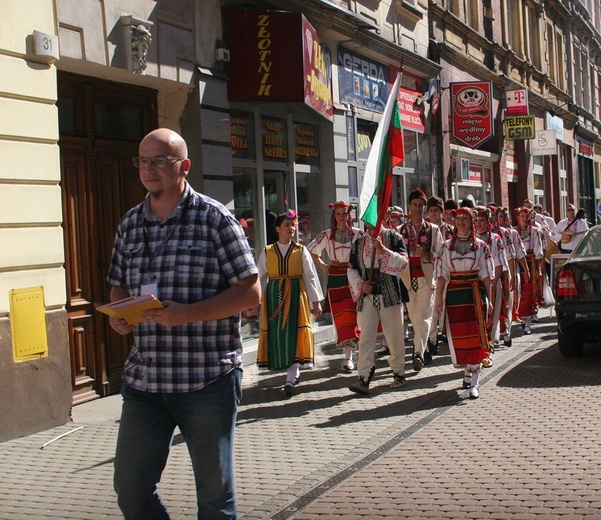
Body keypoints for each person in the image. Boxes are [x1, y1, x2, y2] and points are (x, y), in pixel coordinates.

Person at [107, 128, 261, 519]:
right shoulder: (130, 224)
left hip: (205, 380)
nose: (149, 169)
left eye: (160, 160)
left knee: (214, 498)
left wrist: (185, 314)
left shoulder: (215, 219)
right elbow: (117, 285)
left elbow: (250, 293)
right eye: (143, 160)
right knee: (130, 489)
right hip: (145, 382)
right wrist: (121, 315)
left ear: (184, 167)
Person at [257, 210, 324, 395]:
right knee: (279, 333)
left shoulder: (300, 250)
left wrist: (316, 301)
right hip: (274, 295)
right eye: (287, 225)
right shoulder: (267, 251)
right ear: (277, 229)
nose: (291, 228)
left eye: (293, 225)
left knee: (295, 331)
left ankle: (291, 375)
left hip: (296, 293)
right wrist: (256, 300)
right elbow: (261, 276)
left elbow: (310, 276)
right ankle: (287, 370)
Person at [434, 207, 494, 399]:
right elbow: (442, 275)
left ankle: (474, 382)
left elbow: (486, 275)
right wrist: (438, 300)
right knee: (459, 337)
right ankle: (467, 372)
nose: (461, 222)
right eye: (458, 218)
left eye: (465, 218)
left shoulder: (481, 246)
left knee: (476, 337)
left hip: (474, 295)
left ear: (471, 222)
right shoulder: (444, 247)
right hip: (454, 296)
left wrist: (490, 300)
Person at [347, 223, 410, 394]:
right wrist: (361, 284)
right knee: (366, 336)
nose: (370, 221)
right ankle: (364, 376)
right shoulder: (358, 243)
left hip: (389, 294)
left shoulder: (393, 237)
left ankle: (399, 372)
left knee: (394, 335)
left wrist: (383, 250)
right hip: (368, 296)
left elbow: (404, 263)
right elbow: (351, 269)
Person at [308, 201, 363, 372]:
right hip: (336, 278)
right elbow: (310, 250)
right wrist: (324, 265)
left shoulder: (358, 233)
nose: (341, 217)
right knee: (341, 317)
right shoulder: (326, 234)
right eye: (338, 214)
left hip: (353, 276)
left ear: (349, 215)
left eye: (344, 214)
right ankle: (348, 356)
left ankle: (350, 356)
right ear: (334, 215)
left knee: (353, 314)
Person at [398, 189, 443, 370]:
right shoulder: (400, 230)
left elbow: (441, 255)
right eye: (414, 205)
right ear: (409, 206)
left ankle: (417, 353)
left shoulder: (433, 230)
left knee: (424, 317)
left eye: (421, 205)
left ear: (425, 208)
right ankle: (420, 348)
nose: (417, 208)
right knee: (415, 318)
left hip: (426, 279)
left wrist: (425, 254)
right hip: (407, 280)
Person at [474, 206, 508, 368]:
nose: (479, 224)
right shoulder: (469, 238)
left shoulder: (496, 239)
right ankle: (480, 349)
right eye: (477, 221)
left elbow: (500, 262)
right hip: (475, 286)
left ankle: (489, 346)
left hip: (492, 283)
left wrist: (493, 282)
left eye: (482, 220)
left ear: (488, 221)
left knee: (492, 315)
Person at [514, 206, 544, 334]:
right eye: (522, 216)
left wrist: (539, 269)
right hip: (517, 263)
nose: (524, 219)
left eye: (526, 216)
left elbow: (538, 251)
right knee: (518, 292)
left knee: (529, 292)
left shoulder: (534, 231)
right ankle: (522, 317)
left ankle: (528, 322)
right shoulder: (513, 232)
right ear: (518, 217)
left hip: (530, 263)